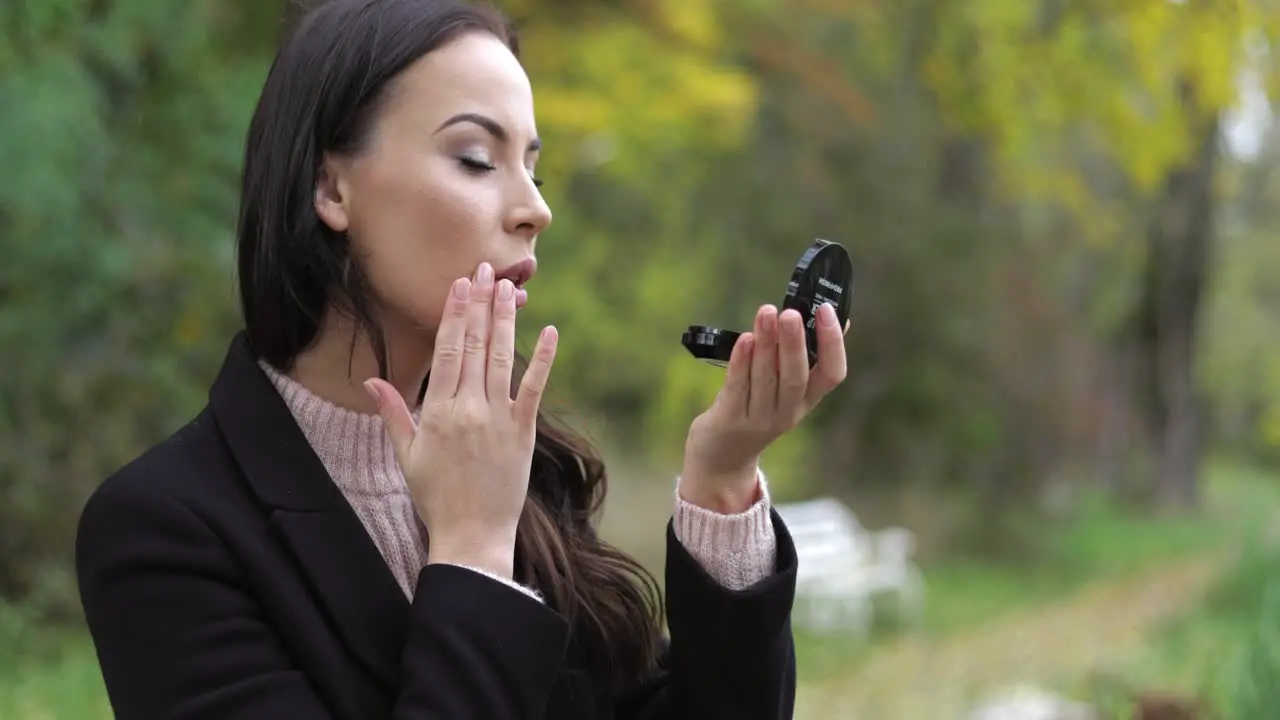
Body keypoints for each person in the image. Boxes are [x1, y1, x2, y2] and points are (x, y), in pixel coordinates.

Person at [73, 1, 850, 718]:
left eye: (533, 169)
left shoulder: (527, 468)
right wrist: (473, 553)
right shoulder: (165, 530)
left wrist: (722, 477)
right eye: (477, 159)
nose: (536, 208)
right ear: (329, 188)